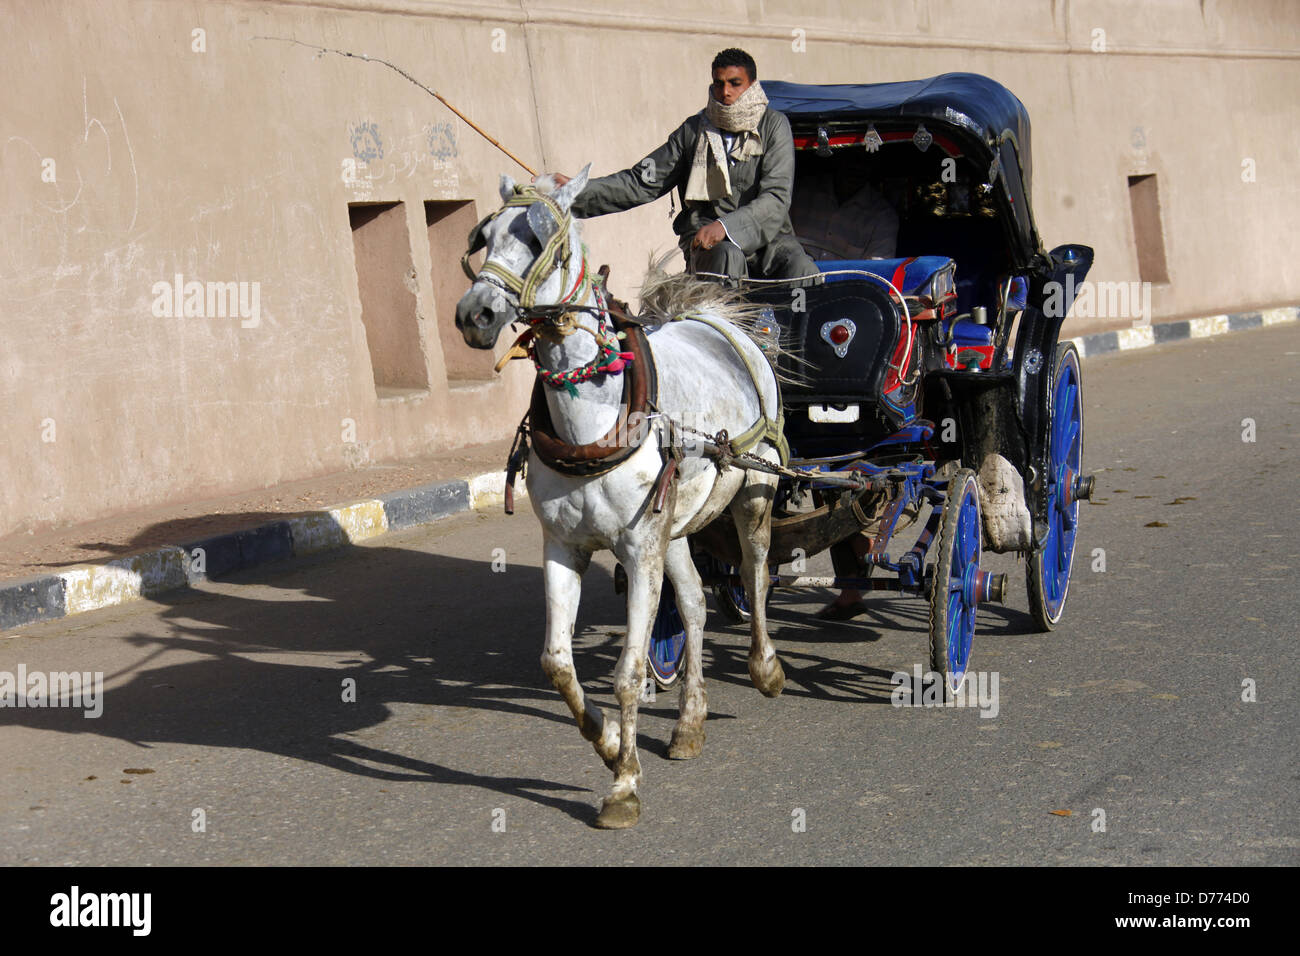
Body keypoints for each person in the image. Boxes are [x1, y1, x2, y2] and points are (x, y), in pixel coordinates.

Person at [552, 48, 816, 283]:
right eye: (719, 83)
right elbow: (640, 181)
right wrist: (577, 190)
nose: (725, 92)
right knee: (728, 255)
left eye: (735, 83)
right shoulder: (692, 131)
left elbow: (776, 198)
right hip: (708, 243)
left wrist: (726, 227)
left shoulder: (774, 126)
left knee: (802, 267)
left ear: (752, 85)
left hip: (769, 240)